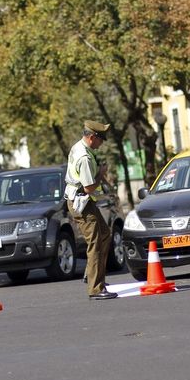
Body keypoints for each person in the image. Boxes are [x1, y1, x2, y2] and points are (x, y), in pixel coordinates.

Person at [65, 120, 116, 300]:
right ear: (92, 137)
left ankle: (92, 274)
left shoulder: (79, 147)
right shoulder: (84, 158)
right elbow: (88, 188)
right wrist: (101, 175)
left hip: (84, 201)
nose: (101, 143)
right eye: (101, 139)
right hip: (82, 202)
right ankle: (95, 289)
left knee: (104, 234)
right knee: (95, 243)